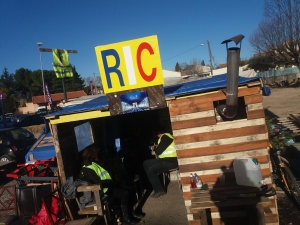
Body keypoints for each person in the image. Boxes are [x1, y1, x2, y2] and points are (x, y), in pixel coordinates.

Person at [79, 145, 142, 225]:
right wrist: (113, 182)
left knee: (129, 188)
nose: (99, 155)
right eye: (97, 154)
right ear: (92, 155)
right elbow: (98, 183)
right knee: (124, 193)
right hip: (102, 191)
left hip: (108, 185)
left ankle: (130, 213)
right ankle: (126, 219)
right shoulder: (87, 168)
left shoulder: (94, 163)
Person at [143, 129, 178, 198]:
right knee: (146, 163)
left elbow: (158, 151)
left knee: (151, 170)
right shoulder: (164, 138)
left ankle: (160, 190)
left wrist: (155, 149)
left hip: (171, 162)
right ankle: (154, 183)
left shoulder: (166, 138)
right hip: (164, 159)